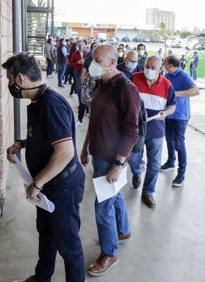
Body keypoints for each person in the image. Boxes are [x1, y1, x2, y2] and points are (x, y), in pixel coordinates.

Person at [3, 52, 86, 282]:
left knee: (68, 245)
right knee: (46, 234)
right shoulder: (37, 101)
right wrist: (22, 144)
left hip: (62, 186)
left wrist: (37, 183)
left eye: (10, 80)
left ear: (20, 79)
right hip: (48, 186)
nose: (10, 85)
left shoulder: (51, 103)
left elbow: (65, 152)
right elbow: (47, 137)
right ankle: (42, 277)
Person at [80, 44, 141, 276]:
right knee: (113, 197)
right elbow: (94, 120)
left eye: (97, 59)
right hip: (98, 154)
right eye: (92, 58)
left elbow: (132, 130)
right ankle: (123, 230)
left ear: (112, 63)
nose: (91, 62)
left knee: (102, 207)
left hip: (111, 159)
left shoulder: (126, 89)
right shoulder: (101, 84)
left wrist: (119, 163)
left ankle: (110, 253)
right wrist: (86, 147)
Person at [128, 55, 176, 209]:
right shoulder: (134, 78)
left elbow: (172, 106)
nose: (148, 70)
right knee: (133, 159)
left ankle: (147, 192)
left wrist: (166, 113)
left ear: (161, 68)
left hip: (156, 130)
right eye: (147, 66)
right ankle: (136, 172)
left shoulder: (167, 85)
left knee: (154, 164)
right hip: (136, 130)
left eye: (153, 68)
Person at [160, 55, 200, 187]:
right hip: (169, 113)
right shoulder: (167, 76)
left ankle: (181, 174)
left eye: (164, 64)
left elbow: (195, 91)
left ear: (170, 66)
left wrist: (176, 94)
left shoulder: (182, 75)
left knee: (179, 144)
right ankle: (171, 161)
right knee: (169, 140)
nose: (163, 66)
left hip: (180, 116)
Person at [69, 40, 88, 127]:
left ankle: (85, 107)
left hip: (86, 73)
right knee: (79, 89)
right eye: (79, 44)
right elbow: (71, 63)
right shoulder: (75, 54)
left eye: (82, 44)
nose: (81, 46)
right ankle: (81, 105)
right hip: (77, 72)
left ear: (85, 45)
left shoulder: (87, 53)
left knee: (86, 90)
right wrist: (78, 62)